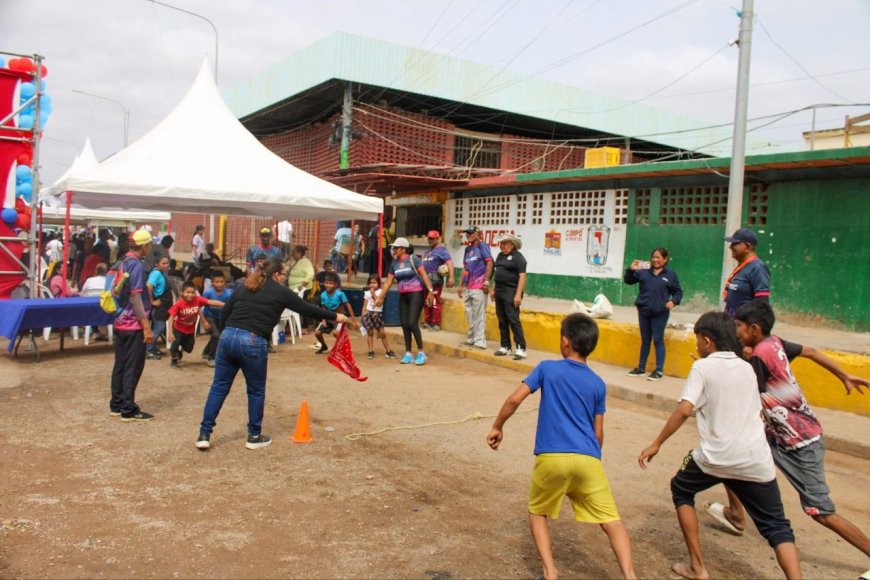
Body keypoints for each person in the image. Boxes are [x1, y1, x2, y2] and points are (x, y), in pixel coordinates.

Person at [638, 311, 801, 580]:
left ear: (706, 341)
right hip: (755, 460)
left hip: (715, 458)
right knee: (778, 527)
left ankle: (697, 567)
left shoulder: (702, 368)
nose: (696, 344)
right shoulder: (746, 368)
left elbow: (684, 410)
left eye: (697, 340)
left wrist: (656, 443)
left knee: (681, 489)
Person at [705, 300, 870, 557]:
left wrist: (712, 371)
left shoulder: (760, 356)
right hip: (781, 436)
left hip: (801, 445)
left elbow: (746, 393)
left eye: (739, 325)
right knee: (730, 457)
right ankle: (736, 515)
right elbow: (811, 352)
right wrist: (843, 375)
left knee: (821, 512)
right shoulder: (775, 343)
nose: (736, 330)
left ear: (754, 329)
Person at [487, 313, 636, 580]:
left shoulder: (546, 368)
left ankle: (550, 573)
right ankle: (630, 576)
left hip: (552, 457)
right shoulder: (598, 383)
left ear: (565, 341)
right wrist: (591, 458)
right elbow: (598, 432)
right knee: (611, 520)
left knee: (537, 512)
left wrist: (498, 426)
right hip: (588, 458)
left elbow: (514, 400)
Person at [195, 257, 352, 451]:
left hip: (227, 337)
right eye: (285, 274)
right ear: (277, 275)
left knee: (219, 387)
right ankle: (254, 436)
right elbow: (307, 309)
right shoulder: (280, 291)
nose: (285, 277)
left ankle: (204, 435)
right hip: (252, 341)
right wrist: (335, 316)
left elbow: (226, 311)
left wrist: (228, 332)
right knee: (255, 390)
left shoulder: (245, 286)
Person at [110, 229, 155, 422]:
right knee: (133, 366)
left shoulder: (121, 261)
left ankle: (116, 403)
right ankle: (128, 408)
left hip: (120, 321)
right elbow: (136, 297)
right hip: (133, 324)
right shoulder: (136, 265)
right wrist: (146, 326)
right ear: (144, 246)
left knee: (120, 364)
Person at [623, 247, 683, 381]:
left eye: (658, 257)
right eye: (653, 257)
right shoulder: (644, 271)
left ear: (665, 259)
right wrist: (631, 269)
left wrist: (673, 301)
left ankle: (659, 370)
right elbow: (628, 280)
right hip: (644, 311)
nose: (655, 260)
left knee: (658, 340)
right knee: (645, 340)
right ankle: (641, 368)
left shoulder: (670, 275)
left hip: (660, 313)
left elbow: (678, 292)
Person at [375, 237, 435, 366]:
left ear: (403, 249)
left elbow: (424, 275)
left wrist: (430, 291)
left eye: (396, 248)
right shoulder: (394, 264)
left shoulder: (413, 259)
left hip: (416, 293)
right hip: (403, 295)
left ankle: (421, 352)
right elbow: (388, 282)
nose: (394, 250)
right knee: (404, 323)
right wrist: (380, 297)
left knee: (412, 322)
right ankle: (408, 353)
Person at [167, 281, 225, 368]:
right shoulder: (179, 303)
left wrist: (225, 305)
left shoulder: (197, 299)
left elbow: (210, 302)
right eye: (188, 292)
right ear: (182, 293)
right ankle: (174, 359)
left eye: (192, 292)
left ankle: (180, 350)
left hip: (190, 330)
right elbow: (171, 318)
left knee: (189, 349)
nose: (190, 295)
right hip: (178, 329)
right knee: (175, 345)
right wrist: (170, 333)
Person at [491, 233, 528, 361]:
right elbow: (498, 273)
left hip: (511, 292)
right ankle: (505, 346)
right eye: (501, 243)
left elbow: (522, 276)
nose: (502, 246)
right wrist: (493, 289)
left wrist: (518, 295)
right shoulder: (500, 256)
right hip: (499, 291)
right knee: (502, 320)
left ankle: (521, 348)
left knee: (513, 320)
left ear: (512, 244)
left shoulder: (518, 258)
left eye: (504, 243)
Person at [457, 225, 493, 350]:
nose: (469, 235)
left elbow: (489, 263)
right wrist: (460, 285)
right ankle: (472, 338)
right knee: (470, 314)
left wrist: (486, 281)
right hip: (469, 287)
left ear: (478, 234)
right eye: (467, 233)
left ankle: (480, 341)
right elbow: (465, 268)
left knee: (479, 315)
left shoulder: (482, 246)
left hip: (479, 286)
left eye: (471, 233)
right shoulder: (467, 249)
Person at [723, 228, 770, 318]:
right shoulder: (742, 266)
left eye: (735, 244)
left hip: (744, 324)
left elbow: (762, 304)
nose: (730, 247)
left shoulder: (758, 268)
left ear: (747, 247)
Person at [420, 230, 454, 332]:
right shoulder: (426, 252)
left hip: (435, 281)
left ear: (437, 239)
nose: (430, 240)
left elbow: (449, 263)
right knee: (427, 301)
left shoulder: (442, 250)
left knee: (435, 301)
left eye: (432, 238)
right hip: (426, 281)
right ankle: (427, 322)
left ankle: (436, 324)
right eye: (429, 238)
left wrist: (451, 277)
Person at [314, 272, 355, 354]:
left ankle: (343, 347)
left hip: (339, 318)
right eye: (326, 283)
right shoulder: (323, 295)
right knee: (317, 333)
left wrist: (353, 320)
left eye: (331, 283)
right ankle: (324, 346)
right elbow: (323, 308)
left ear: (335, 285)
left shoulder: (340, 294)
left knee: (336, 333)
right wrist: (323, 319)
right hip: (328, 317)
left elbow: (348, 305)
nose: (328, 285)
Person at [361, 275, 396, 360]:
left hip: (378, 315)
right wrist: (363, 316)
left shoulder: (381, 292)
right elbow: (365, 305)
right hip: (369, 314)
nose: (372, 285)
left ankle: (388, 351)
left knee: (382, 333)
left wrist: (373, 294)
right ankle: (370, 351)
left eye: (374, 283)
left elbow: (379, 304)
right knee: (370, 333)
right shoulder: (367, 293)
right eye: (371, 283)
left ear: (378, 284)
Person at [201, 271, 233, 368]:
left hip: (221, 317)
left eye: (221, 282)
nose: (219, 284)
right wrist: (204, 321)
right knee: (216, 335)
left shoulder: (228, 293)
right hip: (209, 316)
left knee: (218, 336)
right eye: (216, 282)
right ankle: (212, 357)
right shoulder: (208, 292)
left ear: (225, 282)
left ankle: (206, 351)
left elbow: (230, 307)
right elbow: (200, 305)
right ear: (212, 282)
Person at [146, 256, 172, 360]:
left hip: (164, 306)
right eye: (163, 263)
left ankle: (153, 347)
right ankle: (149, 349)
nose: (166, 265)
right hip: (159, 307)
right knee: (159, 328)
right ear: (157, 264)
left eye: (167, 263)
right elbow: (149, 286)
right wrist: (152, 301)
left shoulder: (162, 273)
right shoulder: (156, 273)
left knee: (155, 327)